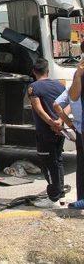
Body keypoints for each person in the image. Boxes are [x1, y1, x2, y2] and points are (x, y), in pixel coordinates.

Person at [27, 58, 66, 208]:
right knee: (58, 160)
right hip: (59, 130)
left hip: (45, 131)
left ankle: (53, 197)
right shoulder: (60, 85)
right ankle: (59, 193)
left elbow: (38, 109)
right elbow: (67, 105)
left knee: (48, 164)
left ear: (33, 72)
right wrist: (60, 122)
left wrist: (51, 123)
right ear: (48, 71)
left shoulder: (33, 87)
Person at [54, 67, 84, 210]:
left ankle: (81, 199)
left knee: (81, 165)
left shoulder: (76, 82)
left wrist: (69, 123)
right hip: (80, 129)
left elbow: (57, 105)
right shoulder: (77, 82)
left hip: (79, 129)